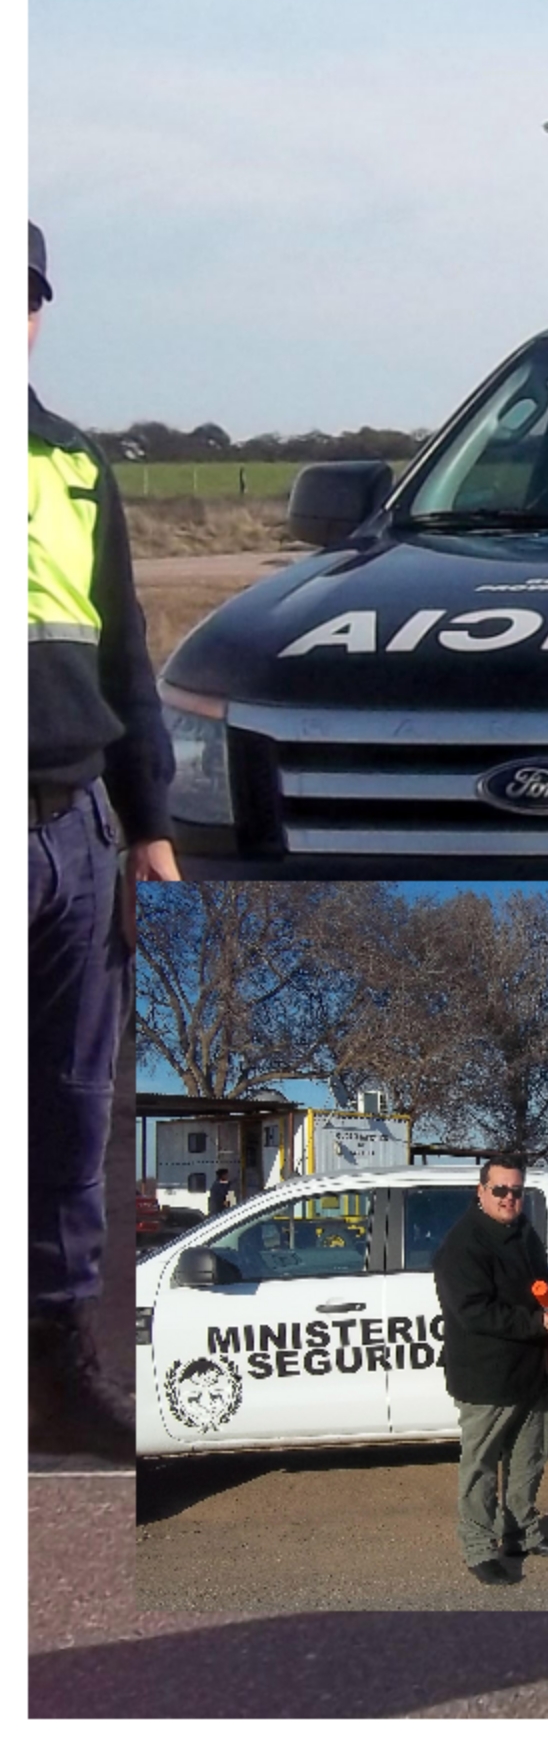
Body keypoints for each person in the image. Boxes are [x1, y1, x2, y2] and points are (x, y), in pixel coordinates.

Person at [29, 219, 179, 1463]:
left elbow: (125, 654)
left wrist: (153, 824)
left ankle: (56, 1361)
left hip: (74, 825)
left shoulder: (74, 465)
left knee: (73, 1111)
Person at [432, 1153, 548, 1586]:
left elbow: (539, 1281)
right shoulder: (462, 1245)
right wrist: (539, 1323)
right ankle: (479, 1548)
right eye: (499, 1190)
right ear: (481, 1191)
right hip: (485, 1374)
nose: (508, 1198)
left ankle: (520, 1533)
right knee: (481, 1468)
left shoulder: (522, 1232)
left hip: (529, 1367)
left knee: (528, 1459)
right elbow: (473, 1312)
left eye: (516, 1191)